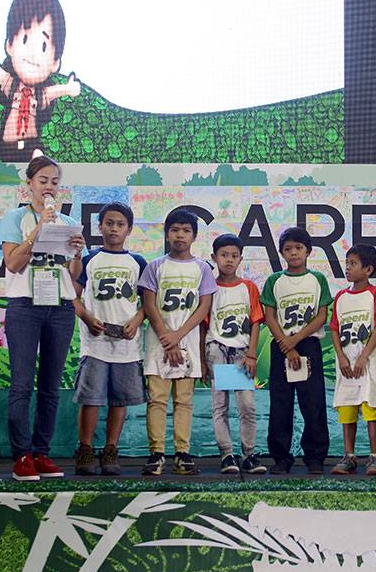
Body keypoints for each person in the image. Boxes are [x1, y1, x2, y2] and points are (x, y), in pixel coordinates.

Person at [0, 155, 87, 481]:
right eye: (43, 181)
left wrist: (77, 253)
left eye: (54, 182)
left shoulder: (66, 221)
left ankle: (42, 453)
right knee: (22, 384)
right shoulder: (15, 218)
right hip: (25, 305)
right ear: (30, 184)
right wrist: (38, 229)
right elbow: (12, 263)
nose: (49, 187)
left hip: (59, 306)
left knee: (50, 385)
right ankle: (21, 455)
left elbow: (73, 274)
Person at [138, 209, 216, 476]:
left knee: (184, 401)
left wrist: (178, 336)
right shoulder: (155, 266)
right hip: (158, 344)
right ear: (166, 234)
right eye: (175, 230)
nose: (180, 235)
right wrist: (167, 338)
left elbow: (203, 307)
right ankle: (156, 454)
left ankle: (182, 454)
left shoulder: (202, 268)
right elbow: (149, 303)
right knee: (157, 400)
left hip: (188, 345)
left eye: (186, 231)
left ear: (194, 236)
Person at [71, 202, 147, 477]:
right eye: (109, 223)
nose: (114, 229)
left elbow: (149, 302)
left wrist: (136, 321)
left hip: (127, 345)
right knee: (91, 399)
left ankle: (110, 450)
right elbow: (72, 296)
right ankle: (85, 449)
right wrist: (87, 318)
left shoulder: (138, 262)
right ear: (99, 226)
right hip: (95, 344)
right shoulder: (89, 259)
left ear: (129, 229)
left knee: (119, 399)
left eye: (120, 224)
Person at [0, 0, 81, 158]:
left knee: (36, 158)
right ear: (10, 45)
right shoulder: (12, 86)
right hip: (6, 143)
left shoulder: (39, 95)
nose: (32, 54)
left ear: (55, 62)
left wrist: (68, 89)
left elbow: (52, 93)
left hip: (31, 144)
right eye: (24, 39)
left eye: (44, 46)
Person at [261, 227, 333, 475]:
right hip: (281, 344)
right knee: (281, 403)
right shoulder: (274, 281)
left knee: (313, 402)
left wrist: (296, 340)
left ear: (308, 251)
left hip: (308, 343)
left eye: (298, 248)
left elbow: (321, 316)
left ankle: (315, 457)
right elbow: (270, 316)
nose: (294, 253)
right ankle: (281, 457)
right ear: (282, 253)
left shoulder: (317, 279)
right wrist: (285, 343)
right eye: (288, 249)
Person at [201, 234, 266, 475]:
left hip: (241, 352)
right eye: (224, 255)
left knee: (246, 405)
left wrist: (252, 354)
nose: (229, 260)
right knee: (220, 404)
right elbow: (203, 325)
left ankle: (248, 455)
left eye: (234, 256)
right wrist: (202, 362)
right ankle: (227, 454)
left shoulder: (248, 287)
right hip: (216, 348)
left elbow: (256, 321)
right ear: (214, 257)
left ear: (240, 259)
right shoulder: (209, 288)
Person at [329, 244, 376, 476]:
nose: (348, 268)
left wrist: (364, 355)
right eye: (347, 263)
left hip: (370, 363)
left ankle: (374, 458)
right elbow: (334, 328)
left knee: (371, 408)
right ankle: (349, 456)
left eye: (353, 264)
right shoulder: (341, 296)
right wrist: (341, 356)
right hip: (347, 364)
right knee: (347, 409)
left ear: (368, 269)